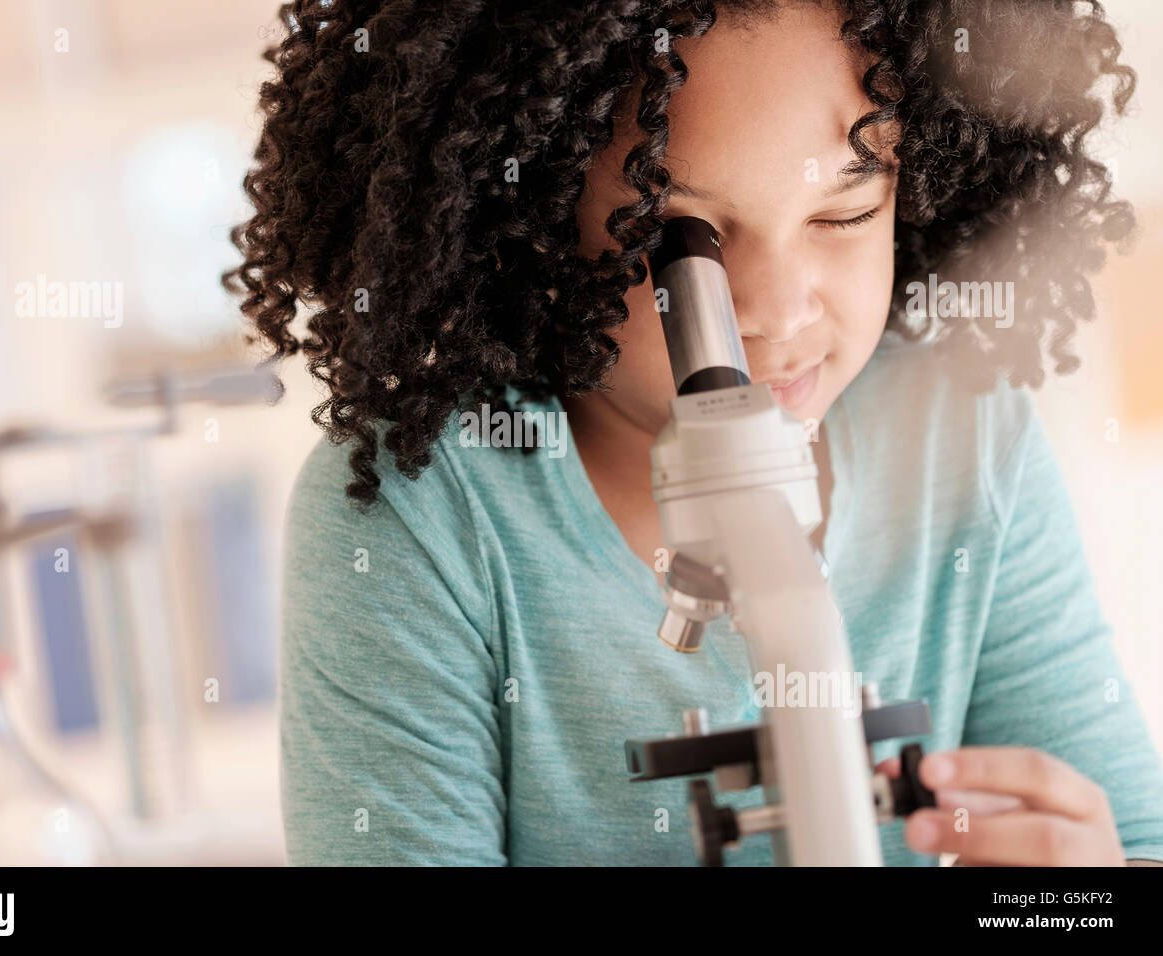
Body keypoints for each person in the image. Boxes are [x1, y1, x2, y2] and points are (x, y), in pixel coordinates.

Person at [226, 0, 1163, 865]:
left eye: (844, 213)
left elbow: (1129, 832)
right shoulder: (424, 511)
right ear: (530, 220)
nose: (777, 312)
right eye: (678, 240)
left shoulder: (962, 430)